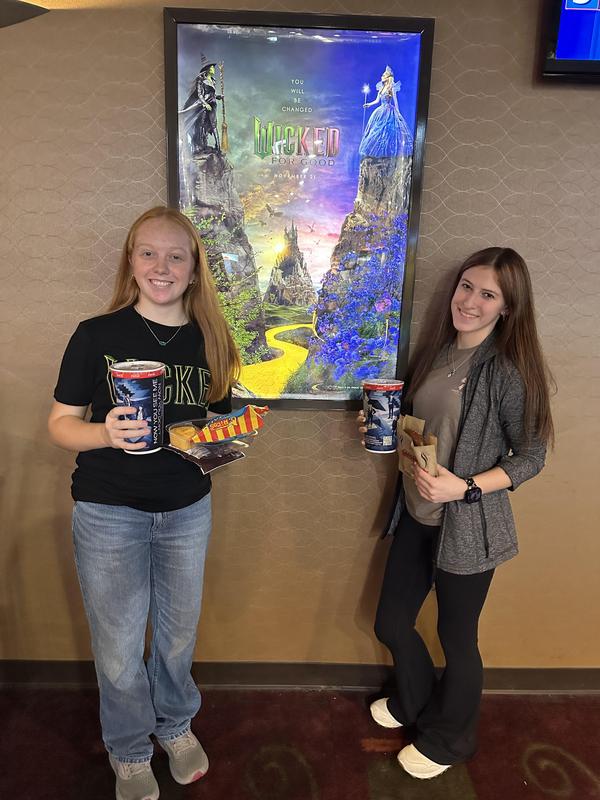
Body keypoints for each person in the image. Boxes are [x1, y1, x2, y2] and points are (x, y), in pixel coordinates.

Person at [48, 206, 240, 800]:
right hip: (108, 512)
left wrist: (223, 442)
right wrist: (106, 432)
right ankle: (130, 751)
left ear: (193, 267)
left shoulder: (213, 335)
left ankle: (175, 726)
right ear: (131, 263)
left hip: (186, 509)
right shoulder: (96, 335)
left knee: (178, 636)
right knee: (119, 643)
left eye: (176, 255)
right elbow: (59, 425)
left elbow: (226, 423)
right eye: (148, 253)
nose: (162, 266)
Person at [358, 247, 554, 779]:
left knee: (457, 639)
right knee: (392, 621)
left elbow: (532, 455)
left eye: (487, 294)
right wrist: (380, 426)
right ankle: (415, 703)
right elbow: (425, 426)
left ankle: (450, 740)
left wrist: (465, 486)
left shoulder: (507, 371)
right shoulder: (439, 351)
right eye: (466, 286)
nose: (469, 300)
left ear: (508, 308)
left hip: (467, 528)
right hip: (416, 516)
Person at [359, 65, 413, 160]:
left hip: (389, 111)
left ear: (388, 78)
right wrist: (369, 104)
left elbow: (395, 101)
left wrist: (398, 113)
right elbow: (377, 101)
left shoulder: (391, 88)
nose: (381, 77)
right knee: (375, 130)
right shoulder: (381, 88)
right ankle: (376, 154)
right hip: (381, 110)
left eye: (384, 75)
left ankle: (387, 155)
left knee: (388, 131)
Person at [180, 61, 222, 154]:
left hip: (213, 104)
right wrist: (205, 104)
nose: (213, 69)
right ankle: (200, 145)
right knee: (201, 124)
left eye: (213, 68)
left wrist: (218, 96)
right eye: (211, 68)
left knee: (213, 124)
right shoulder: (201, 80)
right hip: (204, 105)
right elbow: (200, 94)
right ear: (207, 70)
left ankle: (218, 147)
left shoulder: (213, 80)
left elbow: (212, 94)